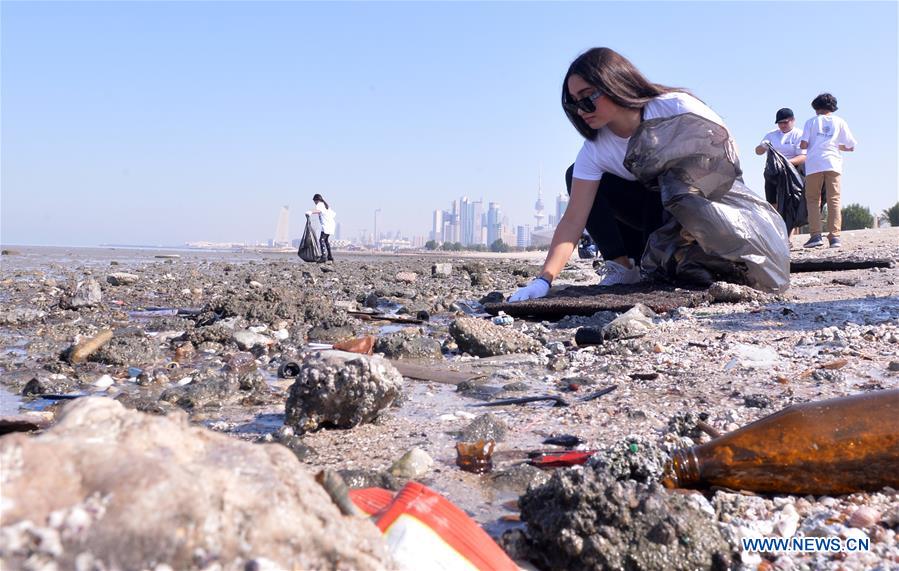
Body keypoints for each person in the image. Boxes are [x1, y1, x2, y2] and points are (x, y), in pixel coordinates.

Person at [509, 47, 729, 302]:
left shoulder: (676, 108)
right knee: (575, 174)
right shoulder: (595, 150)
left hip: (696, 214)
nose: (581, 109)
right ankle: (622, 266)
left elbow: (726, 166)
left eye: (587, 97)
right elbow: (573, 220)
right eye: (573, 102)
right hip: (644, 223)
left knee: (662, 183)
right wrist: (543, 280)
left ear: (614, 83)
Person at [799, 93, 857, 249]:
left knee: (813, 200)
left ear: (816, 107)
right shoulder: (840, 121)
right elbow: (851, 146)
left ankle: (816, 235)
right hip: (833, 163)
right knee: (834, 200)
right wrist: (838, 146)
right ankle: (835, 237)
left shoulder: (811, 122)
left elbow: (803, 145)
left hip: (814, 164)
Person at [755, 108, 806, 205]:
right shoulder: (771, 135)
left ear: (793, 120)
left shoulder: (799, 134)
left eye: (785, 122)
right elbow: (758, 152)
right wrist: (763, 146)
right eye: (779, 123)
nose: (782, 125)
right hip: (774, 170)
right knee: (772, 198)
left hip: (793, 169)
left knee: (793, 199)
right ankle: (775, 215)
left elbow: (803, 157)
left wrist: (785, 163)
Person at [310, 193, 336, 262]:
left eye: (314, 201)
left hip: (326, 225)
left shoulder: (320, 204)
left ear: (316, 200)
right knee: (326, 240)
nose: (315, 203)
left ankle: (324, 257)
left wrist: (310, 212)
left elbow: (318, 211)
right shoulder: (325, 205)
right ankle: (330, 256)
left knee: (321, 240)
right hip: (330, 225)